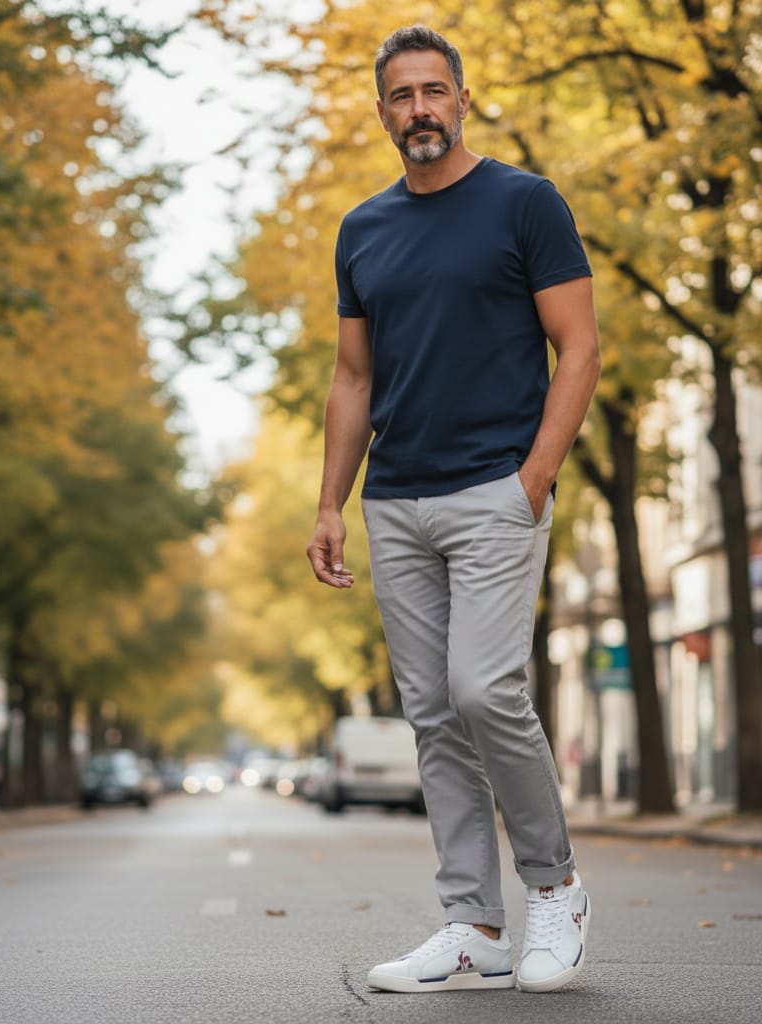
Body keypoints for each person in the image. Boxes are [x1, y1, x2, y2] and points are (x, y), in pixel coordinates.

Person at [306, 25, 601, 994]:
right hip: (396, 499)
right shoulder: (363, 228)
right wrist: (330, 504)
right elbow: (353, 378)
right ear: (382, 111)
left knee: (484, 691)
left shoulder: (524, 203)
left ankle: (555, 888)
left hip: (492, 489)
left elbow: (579, 348)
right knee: (433, 715)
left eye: (434, 90)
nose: (420, 108)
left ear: (463, 100)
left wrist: (534, 478)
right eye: (402, 95)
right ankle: (473, 921)